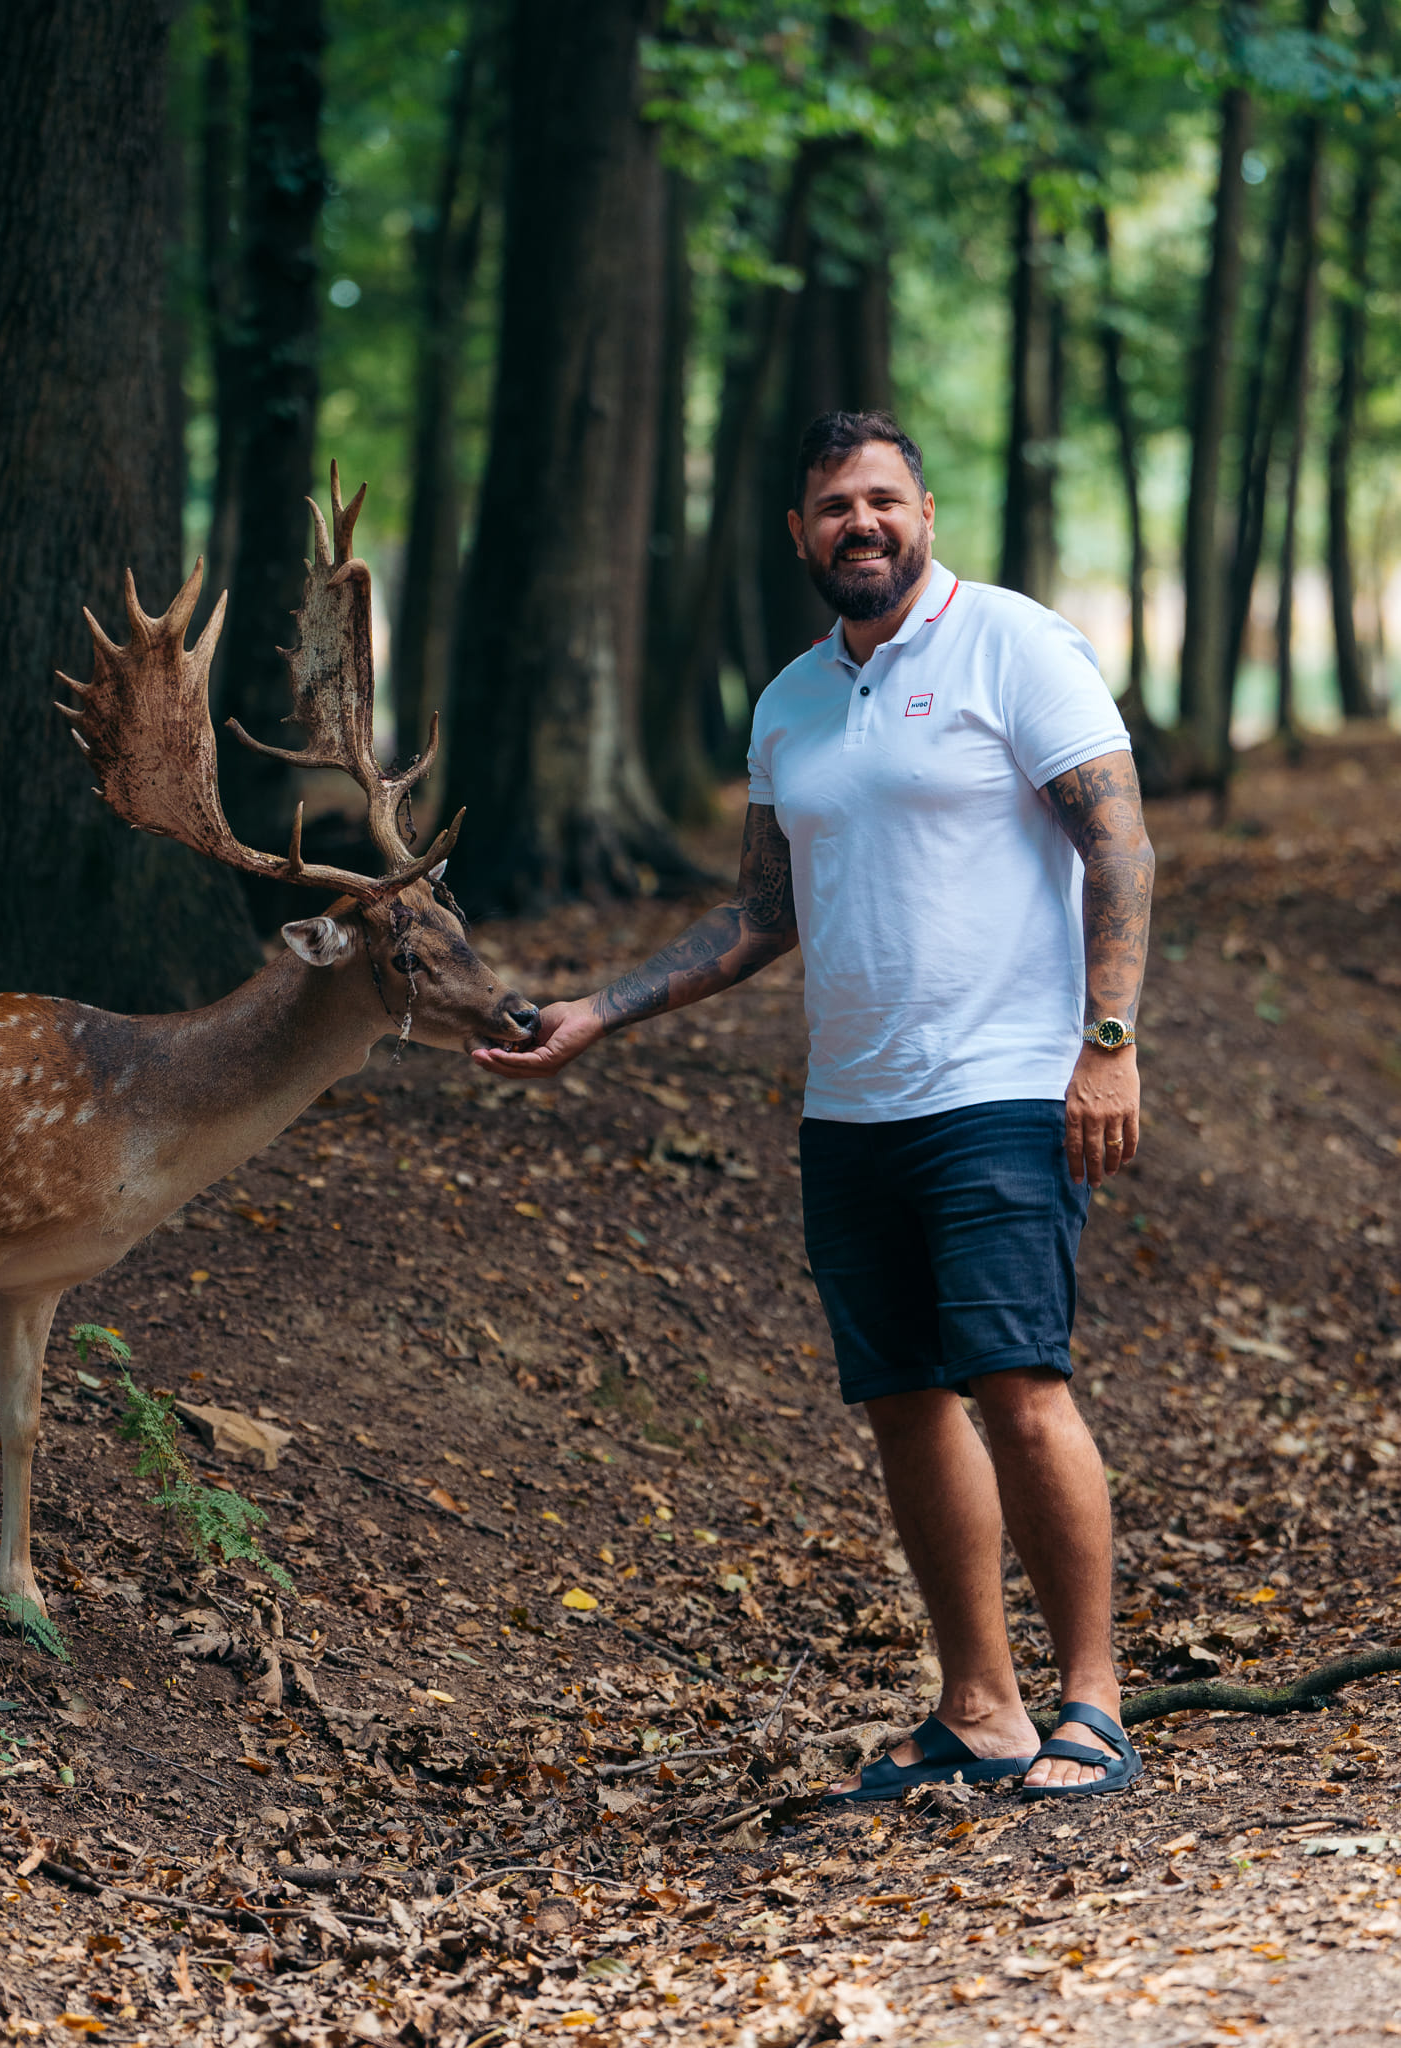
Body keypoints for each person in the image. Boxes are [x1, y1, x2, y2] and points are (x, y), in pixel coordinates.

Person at [474, 410, 1155, 1799]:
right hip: (851, 1110)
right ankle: (979, 1709)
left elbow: (1118, 843)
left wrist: (1109, 1044)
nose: (861, 522)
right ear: (797, 533)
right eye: (834, 505)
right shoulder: (786, 702)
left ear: (922, 511)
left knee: (1018, 1390)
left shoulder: (1012, 645)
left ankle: (1093, 1702)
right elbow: (758, 915)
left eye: (882, 499)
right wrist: (600, 1012)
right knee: (905, 1400)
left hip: (1004, 1088)